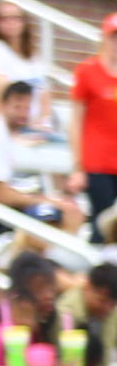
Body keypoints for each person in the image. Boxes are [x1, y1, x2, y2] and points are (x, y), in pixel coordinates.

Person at [0, 80, 82, 232]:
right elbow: (1, 195)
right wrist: (46, 201)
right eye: (17, 107)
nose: (23, 113)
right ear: (3, 106)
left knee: (54, 211)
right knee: (53, 215)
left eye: (27, 108)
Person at [72, 12, 117, 228]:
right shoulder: (88, 71)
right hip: (98, 162)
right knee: (102, 221)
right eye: (114, 37)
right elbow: (76, 120)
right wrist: (78, 165)